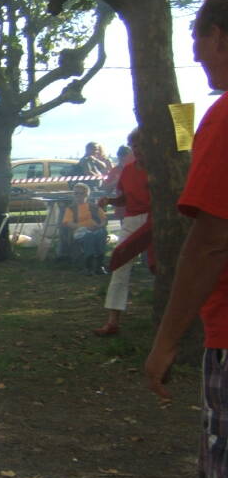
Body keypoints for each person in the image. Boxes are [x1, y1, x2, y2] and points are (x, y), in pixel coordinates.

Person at [146, 0, 228, 478]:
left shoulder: (223, 117)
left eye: (197, 39)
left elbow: (212, 241)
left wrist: (167, 339)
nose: (195, 54)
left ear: (217, 36)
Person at [94, 129, 150, 336]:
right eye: (134, 145)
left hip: (156, 220)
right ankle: (113, 320)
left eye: (141, 145)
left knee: (162, 266)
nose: (137, 149)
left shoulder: (161, 168)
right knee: (120, 265)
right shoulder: (127, 171)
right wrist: (109, 201)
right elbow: (124, 199)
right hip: (132, 221)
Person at [62, 183, 108, 274]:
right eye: (76, 193)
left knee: (101, 234)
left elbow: (104, 220)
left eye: (81, 193)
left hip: (96, 229)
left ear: (87, 194)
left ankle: (99, 266)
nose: (78, 195)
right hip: (80, 231)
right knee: (88, 236)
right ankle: (89, 267)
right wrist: (84, 227)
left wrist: (99, 226)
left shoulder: (95, 206)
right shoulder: (71, 208)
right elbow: (68, 223)